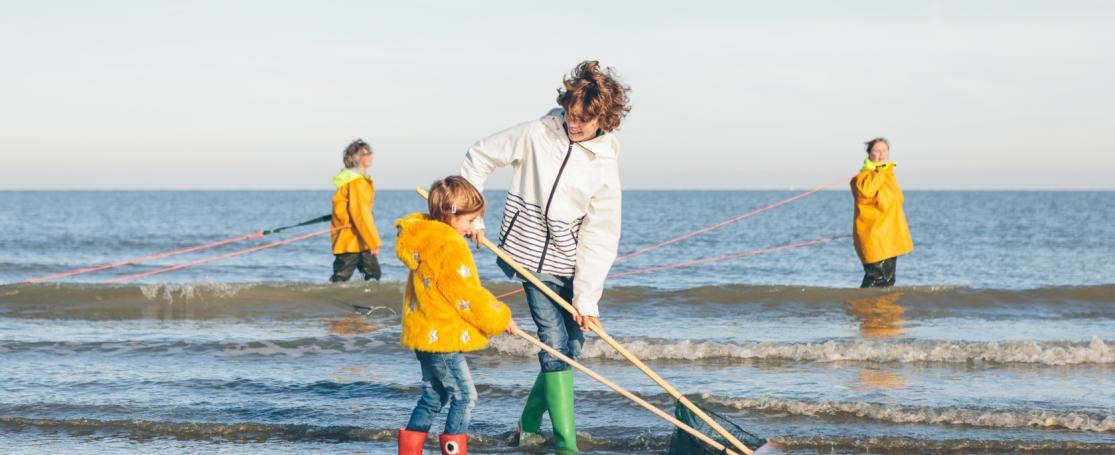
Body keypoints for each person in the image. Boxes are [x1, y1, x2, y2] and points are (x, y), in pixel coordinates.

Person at [459, 60, 630, 452]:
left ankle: (528, 423)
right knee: (552, 341)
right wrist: (472, 218)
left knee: (570, 348)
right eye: (571, 115)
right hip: (527, 257)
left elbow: (601, 236)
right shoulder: (537, 133)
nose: (574, 124)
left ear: (605, 118)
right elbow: (479, 156)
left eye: (584, 120)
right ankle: (566, 445)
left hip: (570, 262)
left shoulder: (604, 166)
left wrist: (587, 298)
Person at [395, 176, 519, 455]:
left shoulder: (426, 237)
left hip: (425, 333)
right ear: (451, 215)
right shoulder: (449, 246)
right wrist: (500, 318)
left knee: (435, 395)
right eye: (470, 221)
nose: (473, 228)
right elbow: (466, 295)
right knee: (465, 396)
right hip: (443, 338)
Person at [851, 137, 914, 287]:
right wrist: (880, 170)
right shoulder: (863, 176)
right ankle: (864, 308)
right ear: (869, 154)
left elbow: (898, 199)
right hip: (874, 237)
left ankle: (883, 309)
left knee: (888, 279)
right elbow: (866, 192)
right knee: (876, 278)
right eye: (876, 150)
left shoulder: (887, 174)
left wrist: (885, 171)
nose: (881, 154)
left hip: (889, 237)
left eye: (884, 150)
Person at [330, 139, 382, 282]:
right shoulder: (357, 182)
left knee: (371, 276)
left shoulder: (349, 179)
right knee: (343, 278)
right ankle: (326, 302)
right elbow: (360, 213)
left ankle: (361, 302)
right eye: (367, 153)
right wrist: (373, 241)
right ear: (357, 158)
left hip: (354, 239)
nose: (371, 155)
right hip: (352, 240)